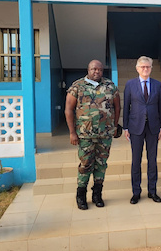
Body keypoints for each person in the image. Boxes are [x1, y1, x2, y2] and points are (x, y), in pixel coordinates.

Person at [65, 60, 121, 210]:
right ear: (88, 69)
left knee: (101, 165)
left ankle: (97, 195)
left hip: (105, 135)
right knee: (85, 165)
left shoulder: (110, 86)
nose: (97, 72)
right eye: (94, 69)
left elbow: (117, 106)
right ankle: (81, 195)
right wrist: (72, 133)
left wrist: (115, 126)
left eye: (100, 70)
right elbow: (68, 110)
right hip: (85, 135)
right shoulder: (77, 86)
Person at [123, 56, 161, 204]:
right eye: (143, 67)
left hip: (153, 127)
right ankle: (136, 192)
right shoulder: (130, 84)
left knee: (152, 161)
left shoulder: (157, 84)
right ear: (137, 68)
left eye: (148, 67)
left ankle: (152, 191)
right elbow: (126, 106)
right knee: (136, 161)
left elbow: (160, 107)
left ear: (151, 68)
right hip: (136, 127)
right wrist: (126, 127)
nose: (145, 69)